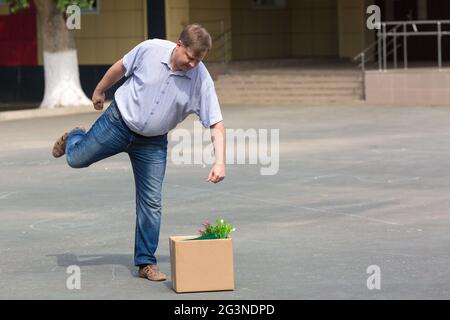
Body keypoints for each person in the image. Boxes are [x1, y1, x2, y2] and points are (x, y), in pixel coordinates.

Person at [51, 24, 226, 282]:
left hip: (152, 144)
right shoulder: (151, 49)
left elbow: (216, 123)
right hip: (117, 122)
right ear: (179, 45)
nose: (192, 64)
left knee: (151, 202)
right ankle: (76, 136)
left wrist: (220, 161)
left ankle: (145, 262)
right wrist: (100, 90)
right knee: (76, 159)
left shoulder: (201, 78)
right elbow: (121, 67)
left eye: (198, 60)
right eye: (189, 57)